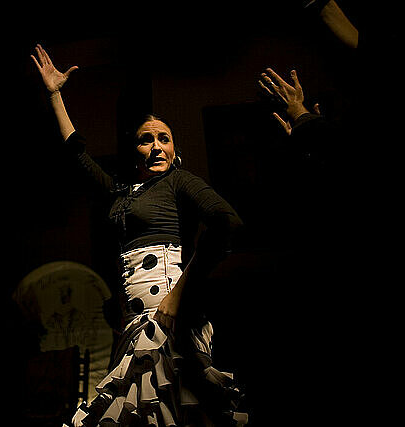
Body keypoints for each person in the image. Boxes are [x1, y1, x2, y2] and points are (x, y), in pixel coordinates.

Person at [31, 44, 248, 426]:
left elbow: (227, 223)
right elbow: (78, 157)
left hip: (169, 314)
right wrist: (55, 96)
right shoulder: (121, 193)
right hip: (136, 322)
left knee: (171, 410)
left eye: (164, 138)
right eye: (147, 139)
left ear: (175, 150)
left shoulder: (179, 181)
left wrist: (178, 297)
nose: (156, 146)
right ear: (135, 152)